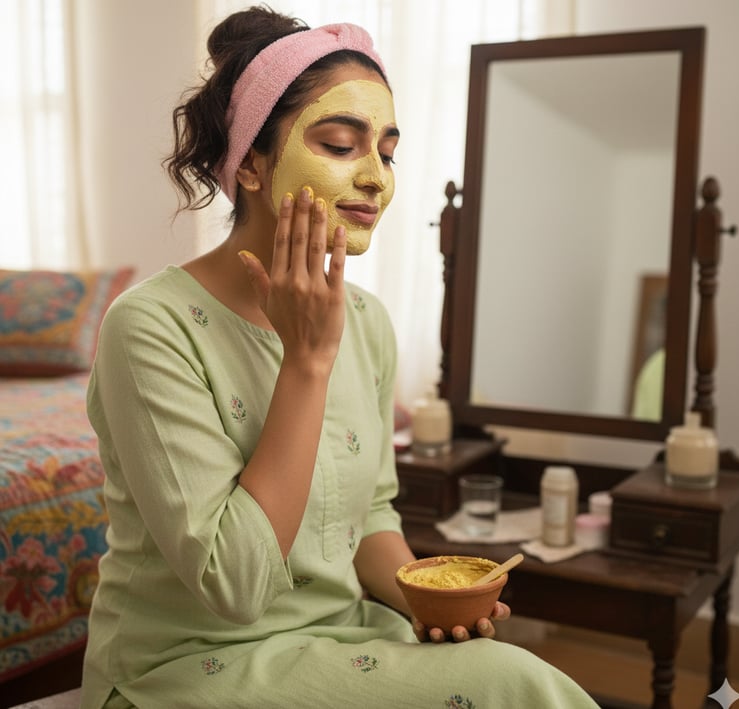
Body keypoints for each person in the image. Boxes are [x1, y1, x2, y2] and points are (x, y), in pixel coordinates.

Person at [80, 6, 599, 708]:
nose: (377, 178)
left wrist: (427, 602)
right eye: (339, 144)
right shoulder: (150, 326)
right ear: (252, 162)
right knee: (517, 683)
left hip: (342, 635)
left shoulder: (367, 322)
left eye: (387, 152)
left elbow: (370, 517)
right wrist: (306, 362)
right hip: (182, 668)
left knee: (495, 667)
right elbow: (235, 587)